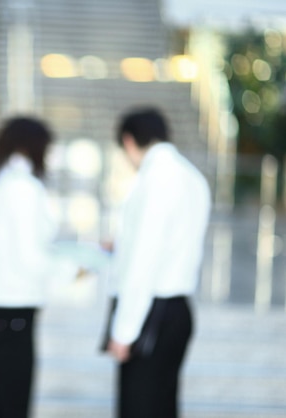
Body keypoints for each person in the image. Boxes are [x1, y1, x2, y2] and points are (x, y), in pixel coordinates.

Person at [101, 107, 211, 418]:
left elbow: (143, 263)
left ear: (128, 141)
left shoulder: (153, 181)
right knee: (163, 405)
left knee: (139, 407)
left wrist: (123, 332)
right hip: (178, 310)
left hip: (151, 314)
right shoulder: (191, 176)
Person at [0, 116, 73, 418]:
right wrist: (72, 269)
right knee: (13, 403)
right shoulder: (23, 187)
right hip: (15, 309)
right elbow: (30, 255)